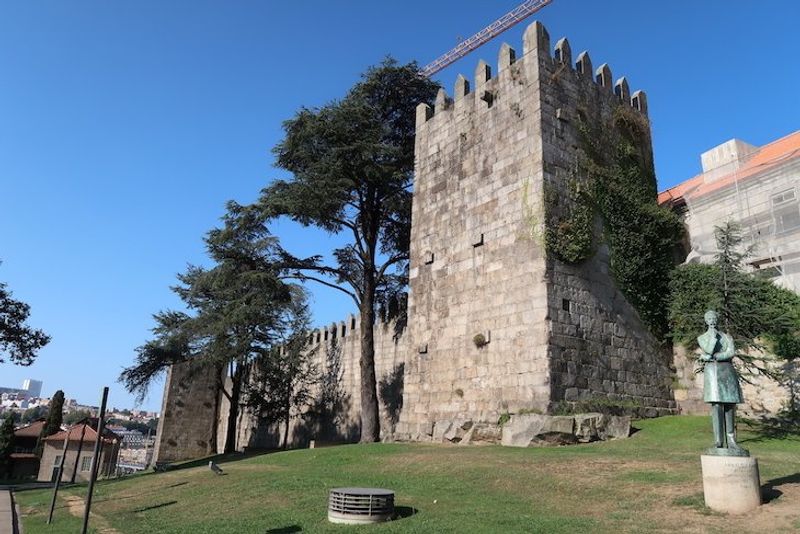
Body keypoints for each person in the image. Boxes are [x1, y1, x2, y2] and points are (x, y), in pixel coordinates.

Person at [697, 310, 746, 455]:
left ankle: (731, 440)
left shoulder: (727, 336)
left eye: (714, 318)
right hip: (713, 372)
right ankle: (719, 441)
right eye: (709, 318)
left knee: (730, 405)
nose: (712, 320)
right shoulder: (702, 338)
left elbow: (731, 352)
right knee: (717, 405)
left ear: (717, 320)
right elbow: (708, 349)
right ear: (706, 321)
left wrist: (715, 356)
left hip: (727, 370)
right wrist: (713, 338)